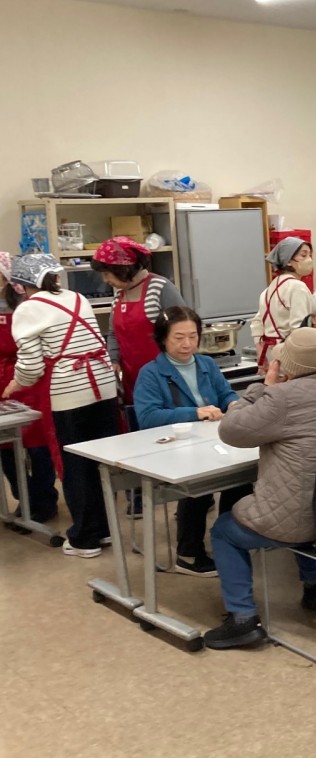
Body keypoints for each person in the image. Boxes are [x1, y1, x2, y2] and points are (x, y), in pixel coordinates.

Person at [202, 327, 316, 650]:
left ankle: (243, 619)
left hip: (297, 524)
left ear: (287, 363)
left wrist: (263, 387)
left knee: (223, 530)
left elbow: (230, 430)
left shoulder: (282, 398)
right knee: (311, 504)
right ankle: (315, 587)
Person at [2, 254, 119, 558]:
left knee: (74, 464)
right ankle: (104, 528)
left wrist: (15, 384)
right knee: (99, 461)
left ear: (21, 284)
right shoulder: (76, 297)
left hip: (69, 391)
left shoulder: (28, 308)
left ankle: (85, 539)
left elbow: (31, 365)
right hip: (103, 386)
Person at [133, 306, 243, 576]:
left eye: (193, 336)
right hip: (173, 449)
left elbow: (226, 394)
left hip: (211, 441)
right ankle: (188, 553)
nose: (187, 344)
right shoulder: (151, 373)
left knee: (241, 478)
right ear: (163, 339)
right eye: (179, 337)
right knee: (198, 483)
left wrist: (235, 404)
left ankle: (229, 541)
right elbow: (148, 417)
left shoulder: (206, 364)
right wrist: (195, 413)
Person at [0, 251, 60, 522]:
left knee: (37, 446)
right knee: (6, 447)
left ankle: (44, 501)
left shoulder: (28, 306)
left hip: (29, 378)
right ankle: (24, 499)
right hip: (2, 381)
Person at [90, 236, 186, 404]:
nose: (105, 280)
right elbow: (113, 334)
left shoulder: (160, 288)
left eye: (106, 274)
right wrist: (113, 360)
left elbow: (184, 329)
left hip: (166, 379)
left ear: (123, 269)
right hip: (132, 380)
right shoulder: (119, 296)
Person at [250, 236, 313, 371]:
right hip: (290, 356)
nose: (309, 259)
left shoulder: (269, 289)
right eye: (304, 255)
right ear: (288, 261)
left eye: (310, 255)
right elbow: (300, 328)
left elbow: (257, 323)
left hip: (271, 354)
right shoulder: (297, 287)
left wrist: (261, 353)